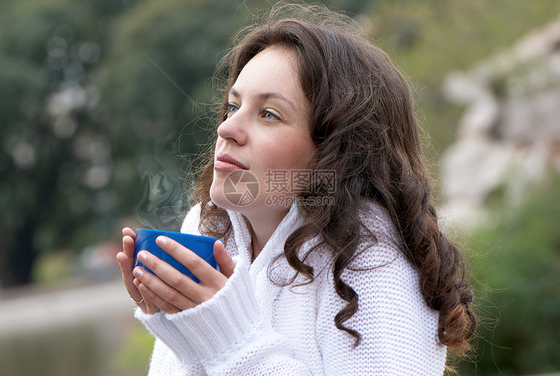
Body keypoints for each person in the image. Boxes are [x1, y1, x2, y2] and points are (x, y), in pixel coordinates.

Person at [117, 3, 476, 375]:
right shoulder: (207, 229)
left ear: (336, 150)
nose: (226, 129)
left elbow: (234, 354)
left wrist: (231, 342)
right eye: (232, 106)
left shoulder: (371, 259)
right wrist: (180, 322)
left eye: (268, 114)